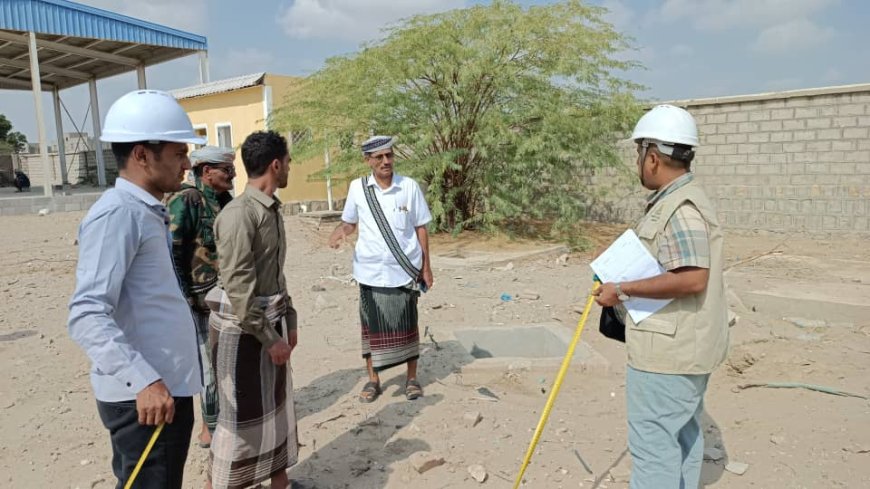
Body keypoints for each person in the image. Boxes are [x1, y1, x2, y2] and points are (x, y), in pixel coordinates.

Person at [67, 89, 205, 489]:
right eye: (179, 153)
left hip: (161, 391)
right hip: (146, 399)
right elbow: (87, 313)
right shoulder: (118, 215)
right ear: (143, 155)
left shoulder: (146, 211)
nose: (187, 163)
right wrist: (142, 380)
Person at [592, 104, 729, 489]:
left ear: (652, 157)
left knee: (654, 451)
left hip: (668, 355)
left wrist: (622, 289)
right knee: (682, 440)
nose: (637, 162)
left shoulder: (680, 209)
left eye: (639, 154)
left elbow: (692, 279)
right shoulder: (679, 201)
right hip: (683, 347)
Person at [208, 131, 298, 489]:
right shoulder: (238, 216)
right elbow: (240, 288)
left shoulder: (271, 210)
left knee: (275, 417)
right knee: (239, 427)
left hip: (269, 327)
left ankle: (280, 481)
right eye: (288, 161)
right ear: (276, 165)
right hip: (244, 335)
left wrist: (288, 319)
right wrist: (269, 338)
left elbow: (274, 275)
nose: (290, 167)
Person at [328, 135, 434, 403]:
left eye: (389, 155)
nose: (386, 161)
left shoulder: (408, 187)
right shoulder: (357, 188)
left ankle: (411, 378)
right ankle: (373, 380)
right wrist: (340, 232)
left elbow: (421, 227)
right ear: (368, 161)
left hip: (404, 271)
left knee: (408, 325)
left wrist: (426, 267)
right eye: (379, 157)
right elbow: (350, 222)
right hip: (370, 272)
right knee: (370, 330)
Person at [164, 146, 236, 449]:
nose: (232, 175)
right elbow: (173, 254)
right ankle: (210, 428)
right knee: (208, 365)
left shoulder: (225, 202)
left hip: (225, 296)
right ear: (207, 172)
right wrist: (184, 299)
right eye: (226, 170)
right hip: (198, 300)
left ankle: (225, 422)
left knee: (227, 363)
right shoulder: (187, 200)